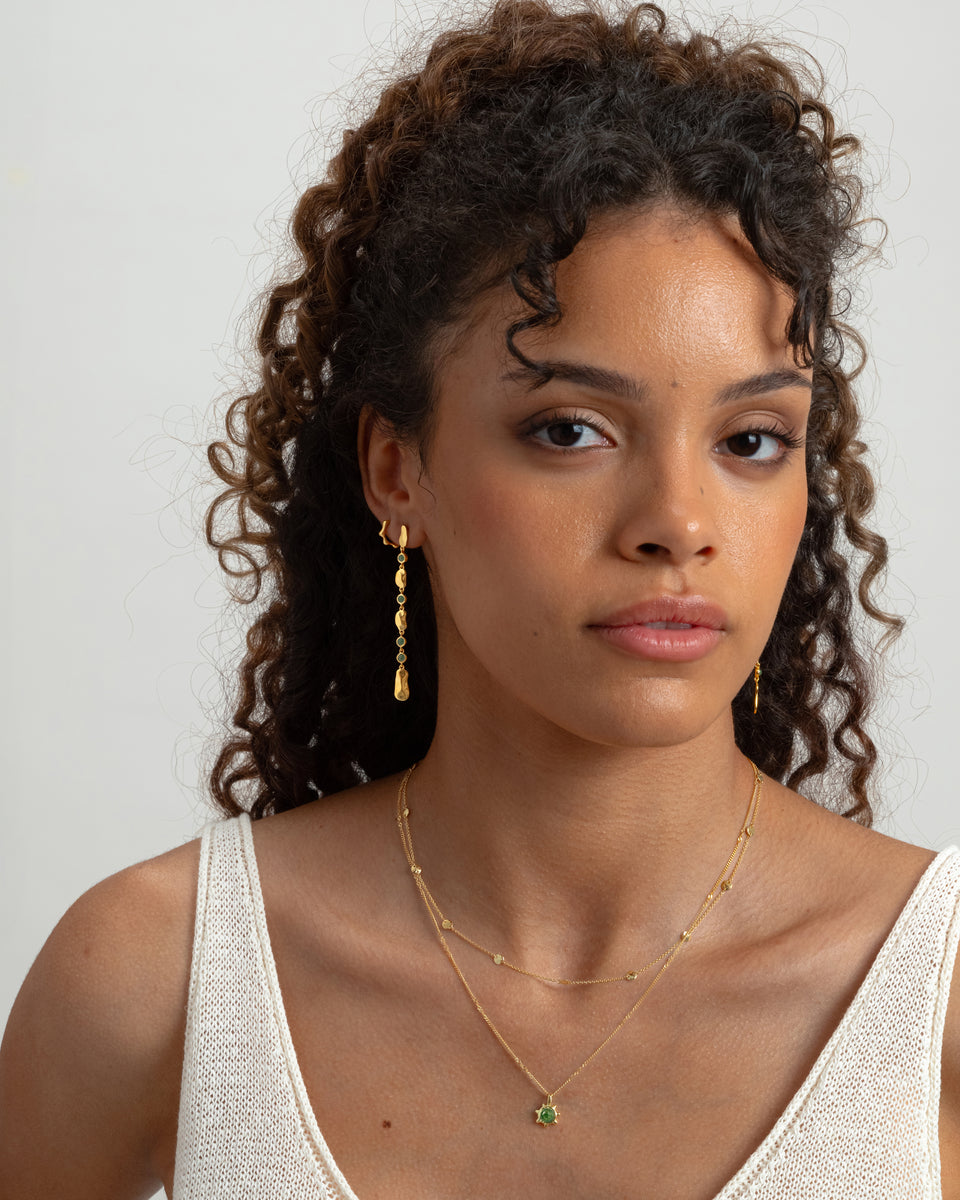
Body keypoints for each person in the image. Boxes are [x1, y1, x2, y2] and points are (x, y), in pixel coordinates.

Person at [2, 0, 958, 1195]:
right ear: (399, 471)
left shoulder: (937, 1003)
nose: (680, 521)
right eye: (572, 428)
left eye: (753, 440)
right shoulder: (156, 979)